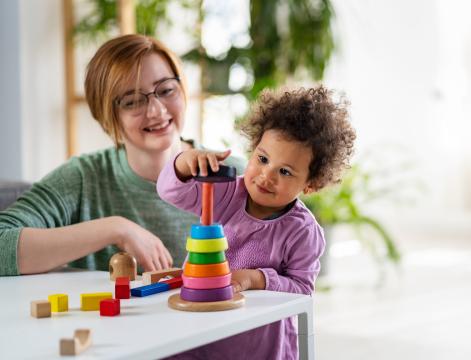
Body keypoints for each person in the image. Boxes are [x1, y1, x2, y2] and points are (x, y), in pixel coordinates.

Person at [0, 34, 243, 276]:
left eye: (167, 89)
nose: (157, 110)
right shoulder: (83, 179)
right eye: (133, 101)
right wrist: (116, 229)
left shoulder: (239, 177)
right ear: (108, 116)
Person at [157, 86, 356, 360]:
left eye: (284, 171)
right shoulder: (227, 193)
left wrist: (256, 278)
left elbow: (302, 291)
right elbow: (170, 191)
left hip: (260, 345)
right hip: (202, 330)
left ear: (310, 184)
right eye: (262, 159)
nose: (266, 176)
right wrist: (183, 163)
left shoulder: (303, 231)